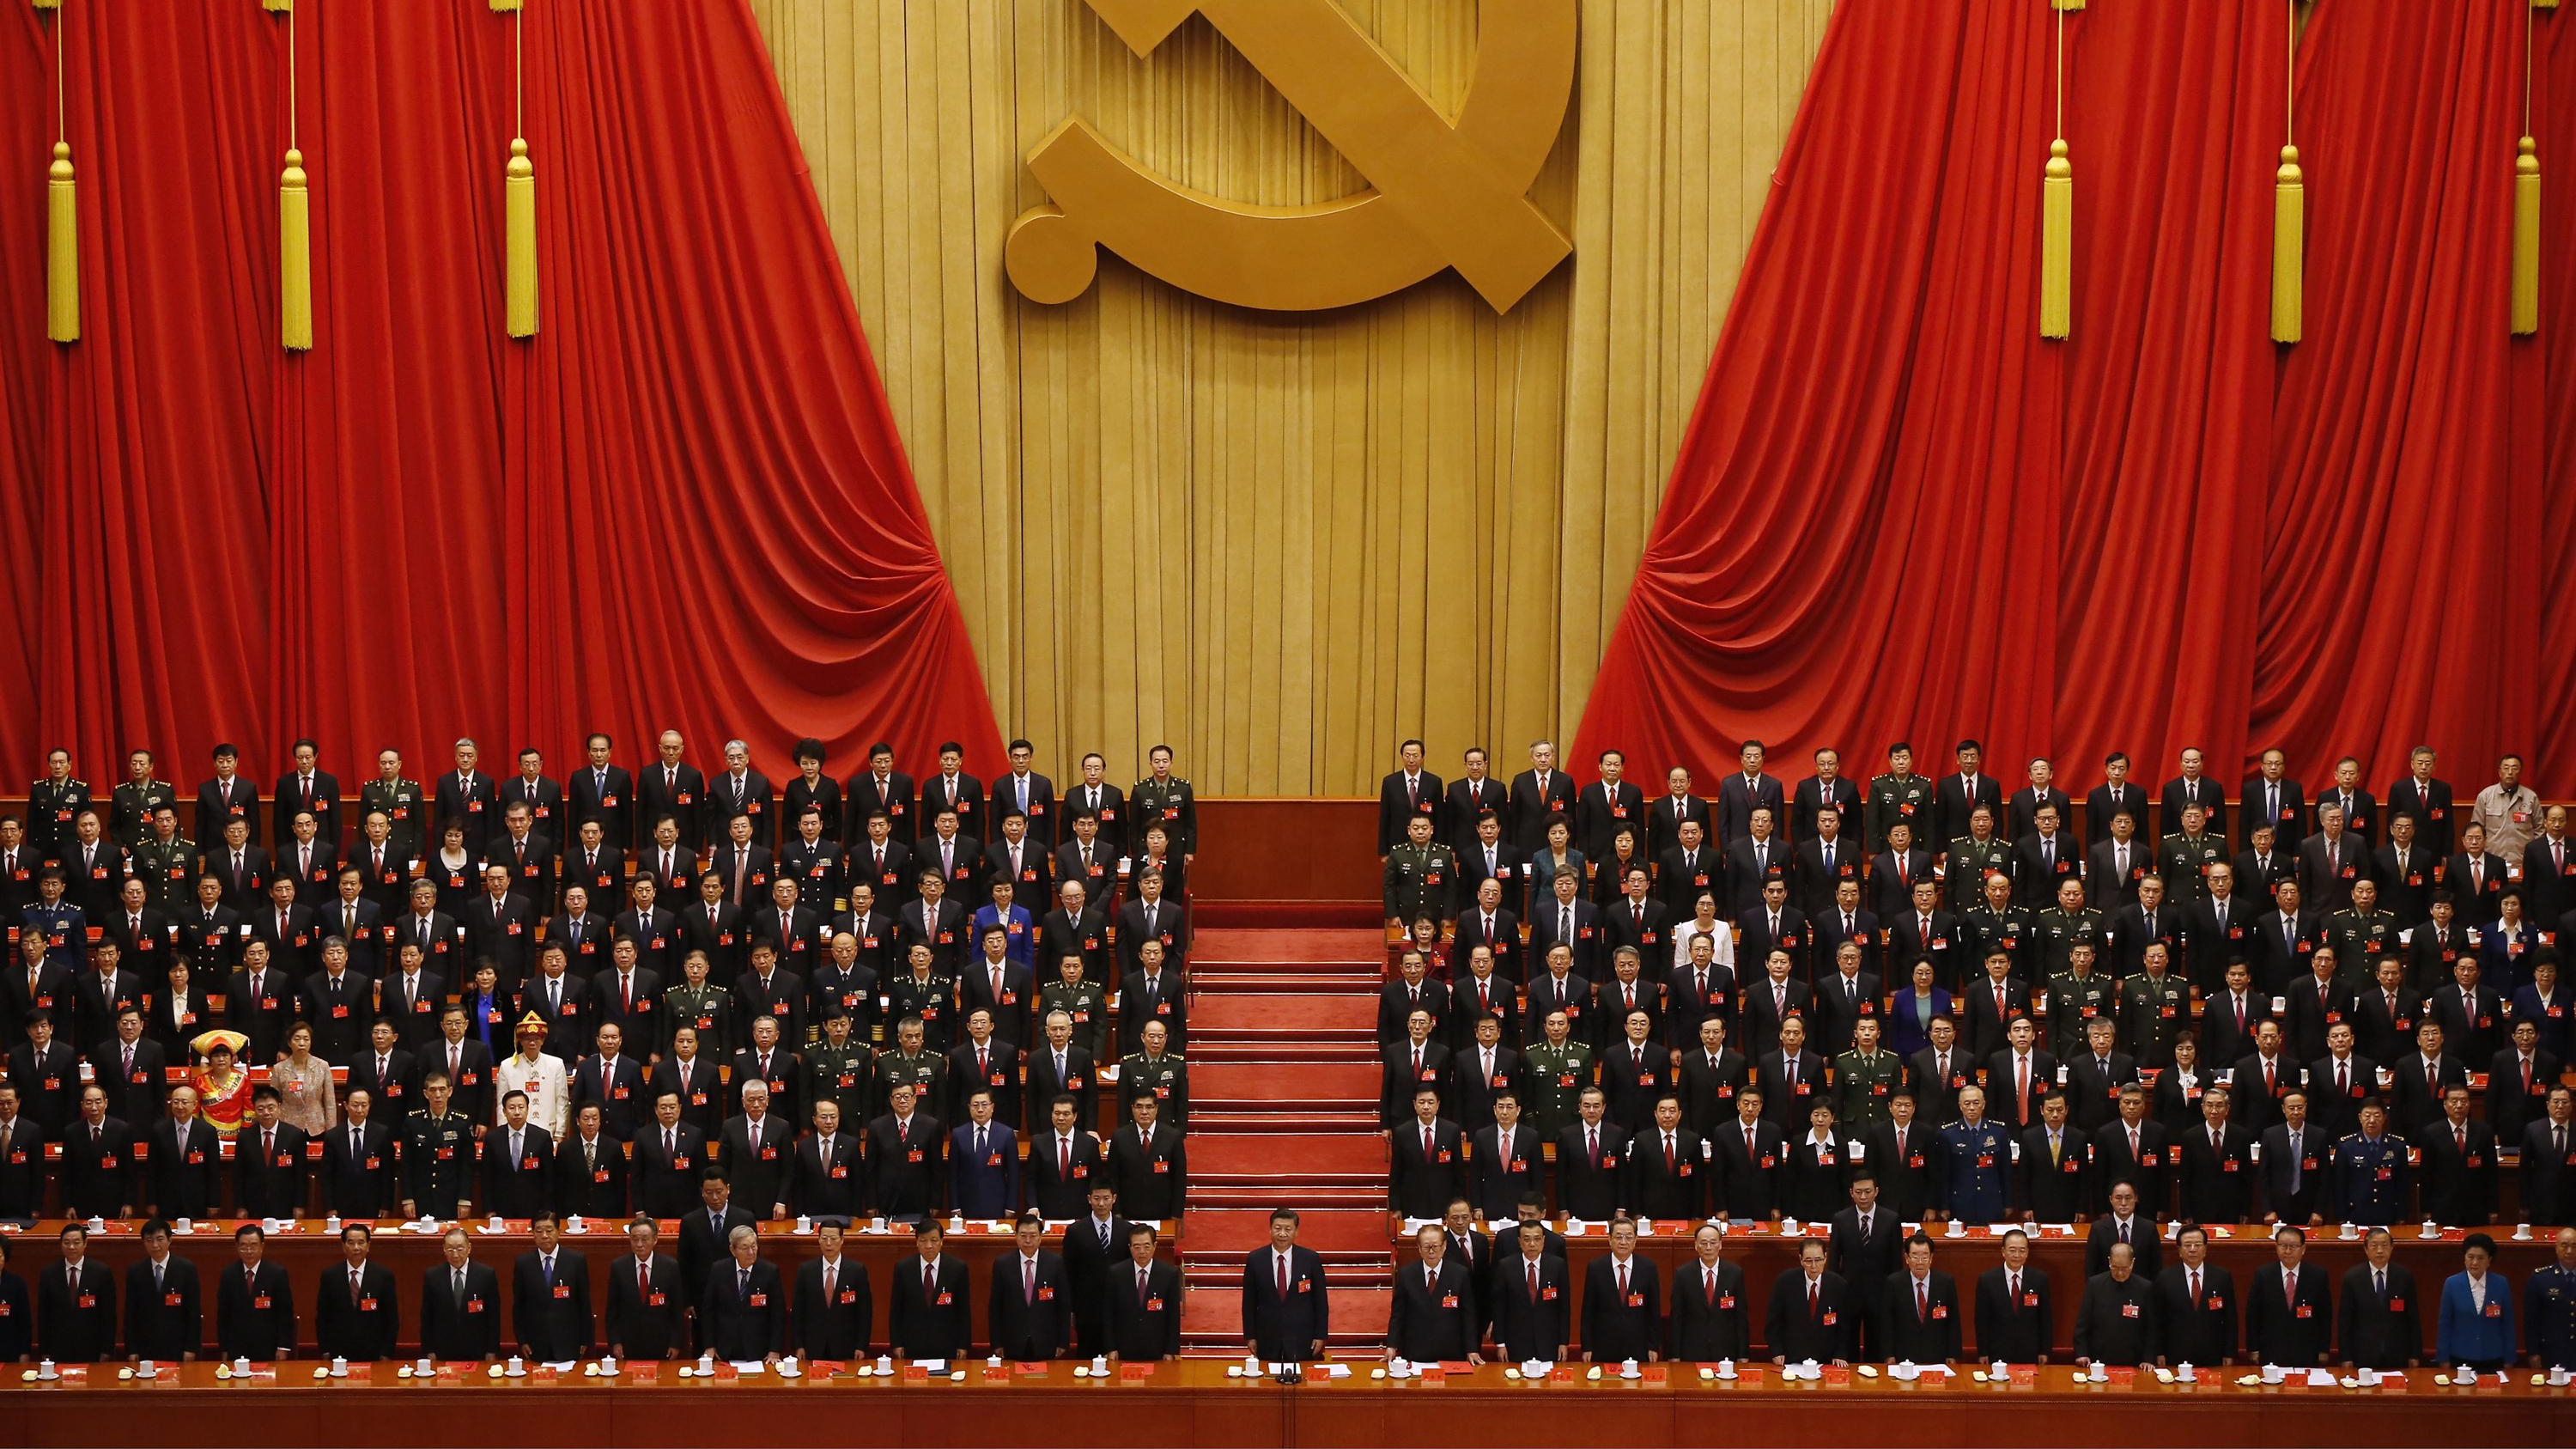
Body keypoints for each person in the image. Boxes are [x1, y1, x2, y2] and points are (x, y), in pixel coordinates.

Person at [1241, 1208, 1329, 1364]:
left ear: (1296, 1232)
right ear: (1270, 1230)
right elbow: (1248, 1303)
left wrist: (1320, 1335)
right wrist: (1250, 1336)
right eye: (1278, 1228)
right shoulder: (1255, 1259)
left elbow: (1321, 1302)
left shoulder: (1310, 1259)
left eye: (1288, 1229)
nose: (1282, 1234)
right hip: (1267, 1337)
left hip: (1302, 1337)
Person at [988, 1210, 1073, 1361]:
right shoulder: (1002, 1264)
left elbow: (1063, 1306)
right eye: (1023, 1235)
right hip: (1012, 1342)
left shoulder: (1055, 1263)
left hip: (1046, 1342)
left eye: (1033, 1236)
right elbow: (995, 1307)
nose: (1028, 1240)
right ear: (1016, 1236)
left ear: (1041, 1238)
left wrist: (1063, 1341)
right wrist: (997, 1342)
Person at [2245, 1224, 2332, 1367]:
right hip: (2271, 1350)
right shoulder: (2263, 1275)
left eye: (2293, 1246)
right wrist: (2253, 1348)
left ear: (2303, 1249)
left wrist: (2323, 1350)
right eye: (2283, 1246)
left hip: (2306, 1351)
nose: (2287, 1251)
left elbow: (2325, 1316)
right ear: (2276, 1247)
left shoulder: (2317, 1275)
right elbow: (2253, 1315)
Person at [512, 1211, 592, 1364]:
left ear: (559, 1232)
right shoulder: (523, 1263)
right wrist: (522, 1341)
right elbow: (519, 1306)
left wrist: (585, 1340)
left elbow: (584, 1304)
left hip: (569, 1341)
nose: (544, 1235)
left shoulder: (576, 1261)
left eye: (549, 1231)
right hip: (536, 1343)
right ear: (533, 1234)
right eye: (539, 1231)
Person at [2336, 1227, 2420, 1371]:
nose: (2380, 1250)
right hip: (2362, 1354)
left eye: (2385, 1245)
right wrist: (2345, 1356)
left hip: (2397, 1354)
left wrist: (2415, 1354)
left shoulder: (2404, 1276)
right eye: (2374, 1246)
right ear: (2366, 1249)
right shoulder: (2352, 1278)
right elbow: (2345, 1321)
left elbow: (2413, 1319)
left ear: (2392, 1248)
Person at [701, 1223, 785, 1366]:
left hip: (758, 1349)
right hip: (725, 1348)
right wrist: (710, 1346)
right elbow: (708, 1310)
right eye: (745, 1248)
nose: (751, 1252)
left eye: (754, 1246)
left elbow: (778, 1314)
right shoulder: (719, 1270)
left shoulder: (769, 1272)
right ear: (732, 1250)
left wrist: (774, 1350)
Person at [792, 1217, 872, 1363]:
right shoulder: (806, 1270)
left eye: (833, 1238)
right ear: (819, 1240)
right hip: (813, 1346)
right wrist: (799, 1345)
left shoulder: (857, 1270)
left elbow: (864, 1313)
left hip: (847, 1346)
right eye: (825, 1238)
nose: (829, 1243)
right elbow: (798, 1312)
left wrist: (862, 1346)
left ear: (842, 1240)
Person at [605, 1217, 684, 1362]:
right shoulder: (618, 1267)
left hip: (661, 1343)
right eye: (635, 1239)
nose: (639, 1244)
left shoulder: (670, 1266)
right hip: (629, 1344)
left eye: (644, 1239)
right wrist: (615, 1342)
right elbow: (612, 1310)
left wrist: (675, 1343)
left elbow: (677, 1310)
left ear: (655, 1239)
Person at [313, 1224, 398, 1362]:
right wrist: (325, 1350)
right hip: (338, 1354)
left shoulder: (383, 1276)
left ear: (368, 1246)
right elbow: (322, 1317)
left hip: (374, 1353)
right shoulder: (330, 1276)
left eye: (361, 1242)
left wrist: (386, 1353)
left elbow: (391, 1319)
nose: (356, 1248)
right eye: (351, 1243)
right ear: (343, 1246)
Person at [889, 1220, 970, 1361]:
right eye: (923, 1241)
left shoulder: (957, 1268)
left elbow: (963, 1311)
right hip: (913, 1344)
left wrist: (963, 1345)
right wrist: (897, 1343)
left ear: (941, 1241)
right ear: (917, 1242)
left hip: (947, 1345)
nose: (929, 1246)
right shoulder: (903, 1268)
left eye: (934, 1240)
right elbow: (896, 1310)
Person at [419, 1227, 501, 1364]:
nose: (455, 1254)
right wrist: (429, 1350)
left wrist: (492, 1350)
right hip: (443, 1350)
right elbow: (427, 1317)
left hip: (477, 1350)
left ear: (469, 1248)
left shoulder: (486, 1275)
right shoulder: (433, 1276)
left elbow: (493, 1317)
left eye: (460, 1248)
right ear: (444, 1250)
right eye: (450, 1249)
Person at [1765, 1239, 1852, 1366]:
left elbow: (1844, 1326)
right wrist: (1776, 1351)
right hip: (1792, 1359)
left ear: (1825, 1257)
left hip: (1826, 1360)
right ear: (1801, 1259)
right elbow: (1773, 1322)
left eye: (1818, 1260)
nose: (1814, 1266)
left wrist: (1840, 1354)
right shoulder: (1785, 1282)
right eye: (1808, 1261)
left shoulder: (1838, 1285)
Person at [216, 1223, 295, 1363]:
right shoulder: (228, 1274)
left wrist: (283, 1347)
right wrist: (224, 1349)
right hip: (237, 1348)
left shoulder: (277, 1273)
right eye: (244, 1246)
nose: (249, 1250)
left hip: (268, 1347)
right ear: (237, 1247)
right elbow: (223, 1315)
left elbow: (285, 1313)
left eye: (253, 1245)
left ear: (262, 1246)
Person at [2436, 1233, 2515, 1372]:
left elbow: (2507, 1324)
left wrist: (2509, 1358)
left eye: (2480, 1258)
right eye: (2470, 1257)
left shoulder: (2501, 1284)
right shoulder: (2452, 1284)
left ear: (2489, 1260)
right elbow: (2445, 1325)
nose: (2474, 1263)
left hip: (2493, 1357)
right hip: (2460, 1356)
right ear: (2464, 1258)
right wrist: (2443, 1358)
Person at [1877, 1233, 1959, 1364]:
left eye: (1925, 1256)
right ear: (1907, 1258)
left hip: (1937, 1356)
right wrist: (1888, 1354)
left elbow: (1953, 1322)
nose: (1920, 1262)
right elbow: (1887, 1322)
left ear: (1931, 1258)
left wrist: (1952, 1354)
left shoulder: (1945, 1282)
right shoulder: (1894, 1283)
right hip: (1903, 1357)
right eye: (1915, 1256)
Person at [1974, 1228, 2052, 1365]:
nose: (2017, 1255)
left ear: (2027, 1253)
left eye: (2022, 1251)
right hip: (1997, 1352)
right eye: (2012, 1250)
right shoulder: (1987, 1280)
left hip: (2030, 1352)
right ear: (2003, 1251)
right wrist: (1983, 1352)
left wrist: (2044, 1351)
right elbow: (1981, 1320)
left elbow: (2045, 1319)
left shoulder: (2039, 1279)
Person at [2073, 1242, 2155, 1370]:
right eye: (2115, 1267)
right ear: (2109, 1261)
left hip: (2135, 1361)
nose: (2120, 1273)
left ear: (2132, 1263)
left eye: (2124, 1268)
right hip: (2098, 1360)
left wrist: (2148, 1359)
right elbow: (2082, 1324)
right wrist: (2082, 1353)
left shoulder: (2145, 1288)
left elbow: (2151, 1328)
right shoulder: (2095, 1285)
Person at [1109, 1221, 1182, 1363]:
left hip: (1157, 1349)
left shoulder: (1169, 1274)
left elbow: (1173, 1316)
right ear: (1130, 1248)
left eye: (1147, 1246)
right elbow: (1109, 1314)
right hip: (1125, 1348)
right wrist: (1111, 1347)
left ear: (1155, 1246)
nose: (1142, 1251)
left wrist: (1171, 1350)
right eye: (1137, 1247)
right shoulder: (1116, 1273)